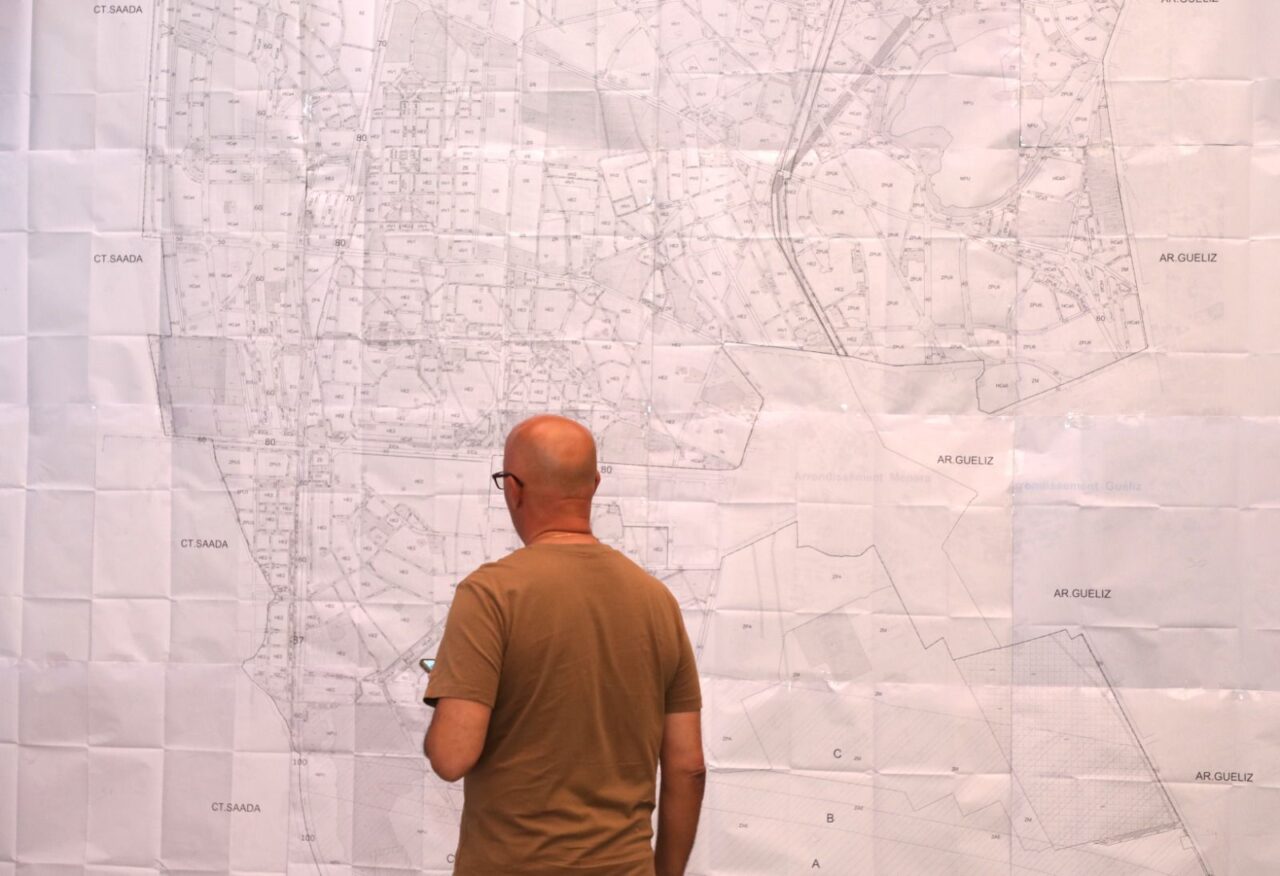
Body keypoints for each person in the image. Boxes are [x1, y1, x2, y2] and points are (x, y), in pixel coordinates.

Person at [423, 414, 706, 876]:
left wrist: (454, 685)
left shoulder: (491, 594)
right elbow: (688, 767)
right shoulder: (658, 602)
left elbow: (452, 756)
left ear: (513, 488)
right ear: (593, 485)